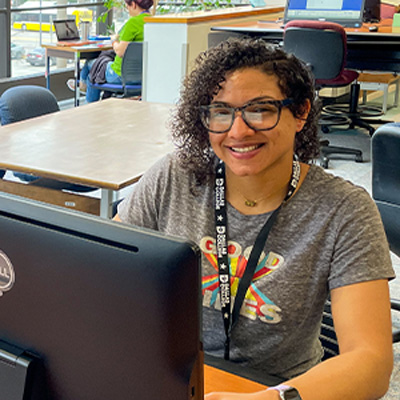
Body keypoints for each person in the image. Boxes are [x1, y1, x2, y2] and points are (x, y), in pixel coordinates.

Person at [114, 38, 395, 400]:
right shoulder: (174, 176)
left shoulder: (344, 210)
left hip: (278, 387)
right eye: (220, 111)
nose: (238, 131)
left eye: (260, 109)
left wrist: (270, 399)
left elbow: (371, 362)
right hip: (175, 374)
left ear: (301, 113)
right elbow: (110, 271)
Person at [66, 0, 152, 102]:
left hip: (119, 75)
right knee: (96, 68)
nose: (127, 9)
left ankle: (86, 96)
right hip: (142, 77)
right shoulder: (153, 22)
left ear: (133, 4)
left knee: (91, 69)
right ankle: (83, 85)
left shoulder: (132, 23)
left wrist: (114, 41)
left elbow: (120, 52)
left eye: (127, 6)